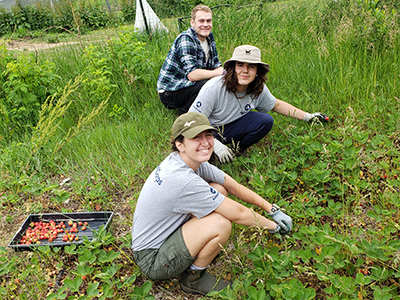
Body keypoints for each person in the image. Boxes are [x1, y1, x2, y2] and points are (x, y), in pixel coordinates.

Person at [131, 112, 292, 295]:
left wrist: (272, 209)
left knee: (218, 189)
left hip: (163, 236)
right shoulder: (182, 179)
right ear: (180, 144)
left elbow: (231, 185)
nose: (206, 143)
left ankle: (201, 250)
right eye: (195, 137)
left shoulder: (189, 160)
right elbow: (239, 214)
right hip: (153, 259)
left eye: (208, 135)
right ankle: (193, 278)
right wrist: (274, 227)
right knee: (221, 224)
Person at [189, 45, 329, 163]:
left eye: (251, 66)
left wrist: (308, 117)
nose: (245, 70)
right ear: (232, 68)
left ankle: (237, 149)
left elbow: (277, 105)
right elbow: (191, 121)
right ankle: (214, 153)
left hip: (231, 127)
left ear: (257, 72)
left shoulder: (257, 88)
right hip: (208, 130)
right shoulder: (213, 88)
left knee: (265, 120)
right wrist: (213, 143)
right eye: (240, 65)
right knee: (198, 157)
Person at [157, 5, 224, 115]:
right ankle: (184, 117)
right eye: (201, 21)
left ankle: (211, 113)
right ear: (192, 23)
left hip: (187, 86)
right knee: (207, 84)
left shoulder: (209, 37)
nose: (206, 24)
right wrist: (217, 73)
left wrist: (223, 74)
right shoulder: (186, 39)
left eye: (209, 21)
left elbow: (216, 64)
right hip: (170, 91)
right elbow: (192, 75)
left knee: (218, 82)